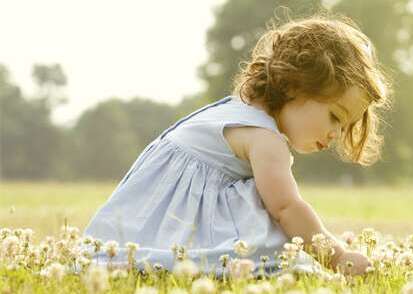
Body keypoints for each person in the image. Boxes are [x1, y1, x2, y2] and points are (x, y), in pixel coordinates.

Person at [82, 13, 391, 278]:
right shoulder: (265, 140)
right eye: (334, 116)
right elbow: (286, 208)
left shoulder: (234, 110)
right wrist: (336, 256)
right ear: (297, 84)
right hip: (179, 222)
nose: (335, 133)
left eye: (344, 125)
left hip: (145, 223)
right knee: (269, 254)